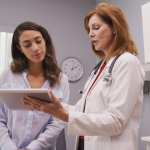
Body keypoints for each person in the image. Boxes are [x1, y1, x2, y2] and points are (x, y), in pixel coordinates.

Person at [24, 3, 145, 150]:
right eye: (89, 29)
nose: (90, 34)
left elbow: (116, 121)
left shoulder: (127, 62)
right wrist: (51, 106)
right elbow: (82, 111)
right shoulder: (99, 68)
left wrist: (65, 115)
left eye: (96, 27)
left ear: (114, 28)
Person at [0, 21, 69, 150]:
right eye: (27, 45)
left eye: (38, 41)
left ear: (45, 41)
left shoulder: (61, 80)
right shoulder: (7, 76)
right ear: (19, 48)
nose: (35, 48)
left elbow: (58, 121)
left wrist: (33, 148)